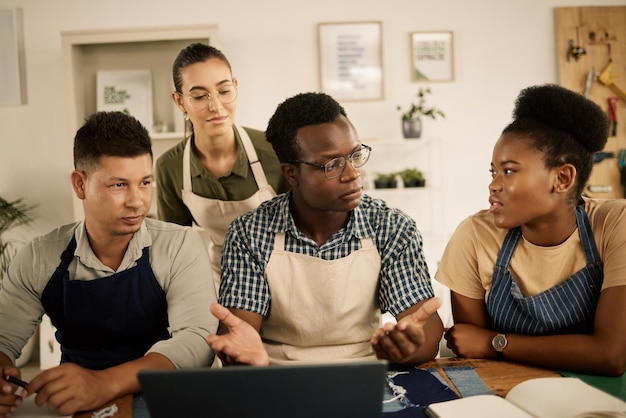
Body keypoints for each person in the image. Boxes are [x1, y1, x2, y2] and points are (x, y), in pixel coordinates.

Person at [0, 111, 218, 417]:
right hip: (77, 405)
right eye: (118, 185)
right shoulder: (39, 257)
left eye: (144, 182)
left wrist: (103, 383)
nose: (137, 201)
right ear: (79, 185)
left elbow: (196, 341)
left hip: (164, 397)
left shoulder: (180, 244)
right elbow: (3, 338)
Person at [207, 92, 444, 366]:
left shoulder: (391, 227)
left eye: (355, 155)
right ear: (292, 173)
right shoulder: (250, 233)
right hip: (277, 376)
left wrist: (408, 348)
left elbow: (424, 329)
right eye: (332, 165)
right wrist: (242, 355)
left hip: (366, 372)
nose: (352, 173)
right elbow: (240, 337)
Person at [437, 84, 626, 376]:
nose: (493, 184)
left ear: (562, 178)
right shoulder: (475, 235)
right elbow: (472, 354)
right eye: (493, 172)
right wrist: (488, 346)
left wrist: (496, 343)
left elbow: (611, 355)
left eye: (509, 170)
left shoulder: (615, 223)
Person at [156, 43, 290, 286]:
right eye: (199, 96)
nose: (216, 106)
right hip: (221, 281)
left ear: (235, 87)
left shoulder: (274, 150)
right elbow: (175, 250)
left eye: (224, 91)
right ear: (179, 101)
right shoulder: (170, 168)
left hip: (283, 277)